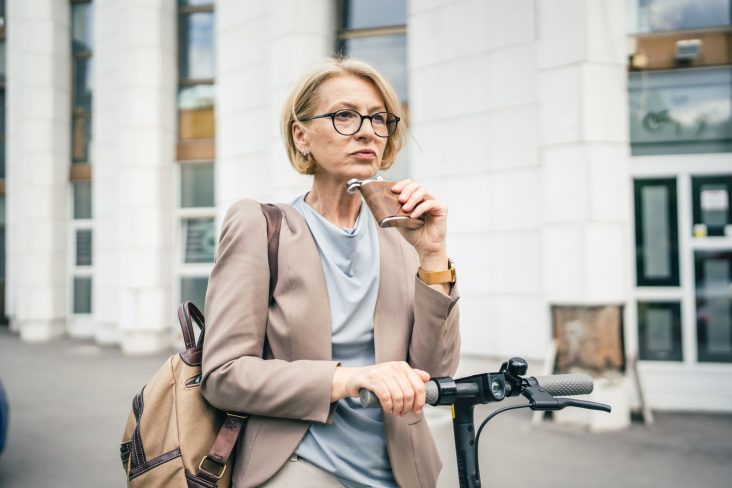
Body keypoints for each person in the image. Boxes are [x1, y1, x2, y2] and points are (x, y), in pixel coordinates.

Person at [201, 57, 460, 488]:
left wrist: (433, 255)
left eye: (379, 119)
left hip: (402, 469)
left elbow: (435, 370)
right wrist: (348, 378)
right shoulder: (262, 225)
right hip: (298, 463)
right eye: (344, 115)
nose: (366, 130)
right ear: (301, 136)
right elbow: (224, 376)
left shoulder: (402, 236)